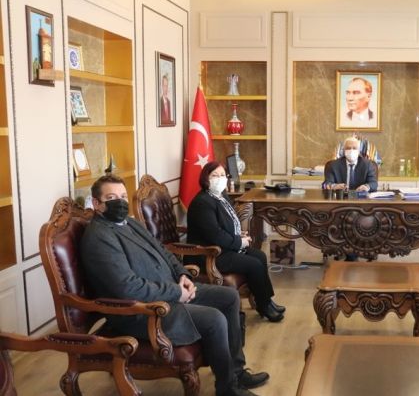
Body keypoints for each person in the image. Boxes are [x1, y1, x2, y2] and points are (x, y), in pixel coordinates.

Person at [80, 175, 269, 396]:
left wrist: (183, 275)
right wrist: (176, 292)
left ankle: (236, 372)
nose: (120, 202)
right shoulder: (99, 237)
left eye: (122, 196)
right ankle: (228, 389)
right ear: (96, 203)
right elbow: (127, 288)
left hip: (170, 290)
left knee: (229, 296)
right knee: (214, 319)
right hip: (143, 311)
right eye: (112, 198)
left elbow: (163, 250)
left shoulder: (130, 223)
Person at [187, 162, 285, 322]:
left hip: (224, 247)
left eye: (222, 175)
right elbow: (215, 234)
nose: (219, 179)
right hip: (209, 253)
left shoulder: (221, 197)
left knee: (260, 256)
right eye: (214, 175)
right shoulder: (202, 203)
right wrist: (239, 242)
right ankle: (265, 306)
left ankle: (265, 301)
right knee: (254, 264)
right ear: (205, 179)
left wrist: (238, 233)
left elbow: (226, 224)